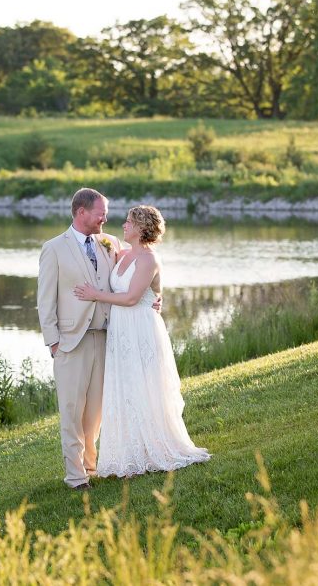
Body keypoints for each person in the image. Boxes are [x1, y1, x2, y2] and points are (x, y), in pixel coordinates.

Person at [37, 188, 161, 490]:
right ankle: (76, 477)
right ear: (82, 212)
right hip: (70, 340)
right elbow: (45, 299)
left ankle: (91, 467)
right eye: (100, 212)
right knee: (71, 410)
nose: (106, 218)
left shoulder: (111, 244)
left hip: (107, 338)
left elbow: (146, 269)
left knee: (95, 412)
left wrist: (156, 298)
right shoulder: (54, 248)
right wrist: (53, 341)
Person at [74, 205, 210, 478]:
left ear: (141, 228)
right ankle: (128, 451)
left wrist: (95, 294)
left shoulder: (148, 259)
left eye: (128, 222)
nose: (123, 225)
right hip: (121, 329)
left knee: (145, 385)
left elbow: (132, 298)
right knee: (125, 386)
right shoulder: (122, 254)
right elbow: (152, 291)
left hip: (141, 328)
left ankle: (155, 447)